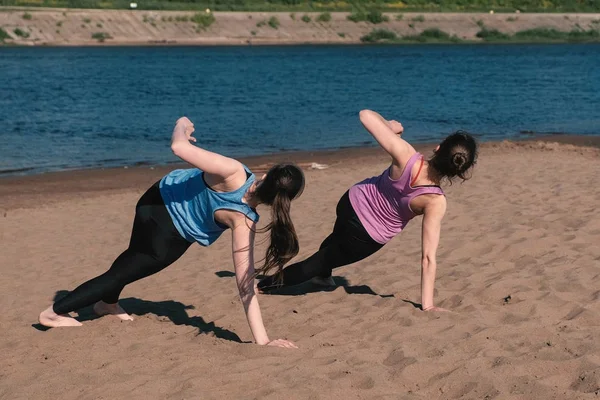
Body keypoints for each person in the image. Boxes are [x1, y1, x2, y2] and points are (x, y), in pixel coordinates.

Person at [39, 117, 304, 348]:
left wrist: (182, 124)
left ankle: (107, 303)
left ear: (268, 173)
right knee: (124, 270)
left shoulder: (234, 171)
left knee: (131, 258)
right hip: (167, 240)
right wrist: (264, 340)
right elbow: (245, 285)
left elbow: (179, 146)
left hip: (153, 200)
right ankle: (55, 312)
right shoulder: (245, 222)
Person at [258, 110, 478, 312]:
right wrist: (428, 305)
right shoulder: (435, 201)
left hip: (350, 203)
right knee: (320, 260)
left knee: (333, 243)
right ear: (458, 173)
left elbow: (365, 115)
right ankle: (263, 286)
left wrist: (389, 126)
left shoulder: (406, 154)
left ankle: (323, 277)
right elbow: (428, 258)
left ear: (438, 148)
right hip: (365, 237)